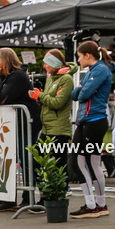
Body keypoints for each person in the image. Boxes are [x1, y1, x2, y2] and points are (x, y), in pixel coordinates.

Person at [0, 48, 40, 210]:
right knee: (13, 159)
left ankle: (29, 198)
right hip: (16, 123)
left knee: (27, 159)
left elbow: (1, 98)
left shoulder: (17, 76)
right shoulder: (7, 77)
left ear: (4, 62)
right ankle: (10, 198)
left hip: (28, 122)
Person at [69, 41, 113, 219]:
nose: (78, 60)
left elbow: (83, 94)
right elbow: (75, 95)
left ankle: (97, 205)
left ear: (88, 55)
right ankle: (94, 204)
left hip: (95, 121)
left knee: (87, 163)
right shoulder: (91, 72)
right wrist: (81, 89)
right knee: (80, 162)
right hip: (86, 121)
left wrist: (81, 89)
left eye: (79, 56)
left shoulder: (100, 70)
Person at [38, 48, 76, 177]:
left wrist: (40, 96)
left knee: (59, 165)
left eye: (46, 63)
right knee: (38, 160)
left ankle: (61, 193)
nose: (44, 66)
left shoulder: (66, 79)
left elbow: (57, 103)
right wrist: (38, 97)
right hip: (47, 128)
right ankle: (48, 194)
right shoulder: (51, 78)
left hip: (59, 130)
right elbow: (48, 100)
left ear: (54, 63)